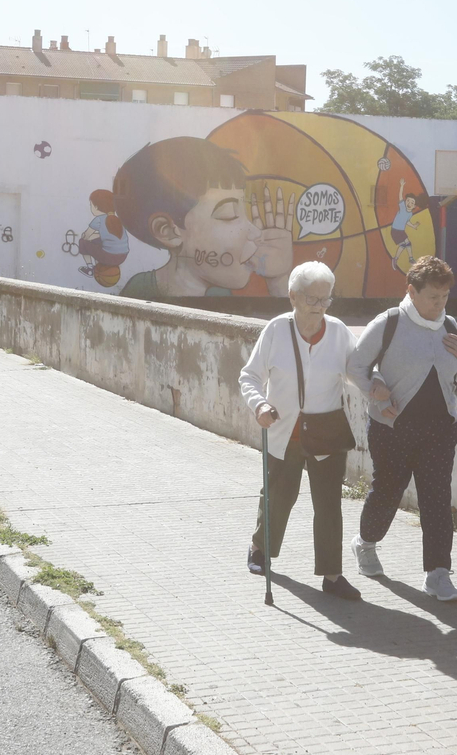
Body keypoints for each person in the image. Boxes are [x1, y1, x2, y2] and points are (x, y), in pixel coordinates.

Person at [347, 256, 457, 601]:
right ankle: (365, 543)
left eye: (445, 296)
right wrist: (375, 393)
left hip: (441, 429)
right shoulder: (389, 322)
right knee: (388, 492)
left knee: (437, 499)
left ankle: (438, 573)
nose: (440, 304)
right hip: (393, 427)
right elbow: (356, 366)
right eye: (433, 296)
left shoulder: (450, 325)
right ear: (412, 291)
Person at [239, 261, 362, 600]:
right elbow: (249, 376)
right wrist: (259, 405)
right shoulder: (277, 330)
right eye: (312, 299)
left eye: (326, 299)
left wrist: (378, 386)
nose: (319, 307)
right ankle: (260, 547)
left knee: (329, 504)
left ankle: (332, 575)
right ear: (292, 296)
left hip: (327, 432)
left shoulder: (338, 332)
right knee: (278, 496)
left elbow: (358, 372)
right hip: (284, 429)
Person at [110, 137, 293, 299]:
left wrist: (277, 282)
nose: (255, 232)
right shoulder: (139, 292)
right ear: (168, 231)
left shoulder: (219, 293)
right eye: (230, 214)